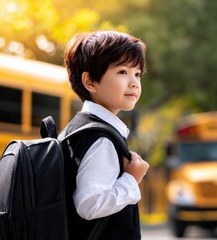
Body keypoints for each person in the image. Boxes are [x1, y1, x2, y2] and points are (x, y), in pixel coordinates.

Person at [62, 30, 150, 240]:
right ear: (90, 81)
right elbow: (89, 204)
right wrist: (131, 178)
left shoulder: (76, 128)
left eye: (137, 73)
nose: (134, 82)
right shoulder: (100, 140)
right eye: (122, 72)